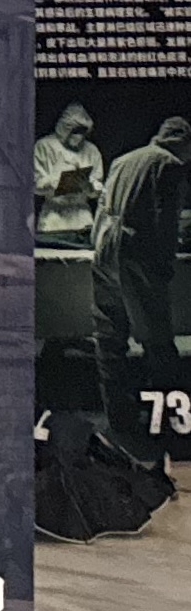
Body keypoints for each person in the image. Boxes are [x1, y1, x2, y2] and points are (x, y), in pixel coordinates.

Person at [94, 115, 191, 454]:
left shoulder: (123, 160)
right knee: (157, 340)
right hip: (138, 254)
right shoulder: (169, 165)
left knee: (109, 339)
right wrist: (164, 266)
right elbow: (166, 221)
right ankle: (170, 423)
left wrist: (99, 249)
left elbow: (102, 210)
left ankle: (120, 421)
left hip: (105, 251)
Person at [37, 104, 104, 251]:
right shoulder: (45, 146)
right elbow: (35, 184)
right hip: (54, 218)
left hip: (82, 218)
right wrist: (57, 182)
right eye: (75, 131)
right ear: (65, 129)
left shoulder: (91, 151)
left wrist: (90, 187)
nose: (79, 136)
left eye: (82, 132)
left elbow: (99, 185)